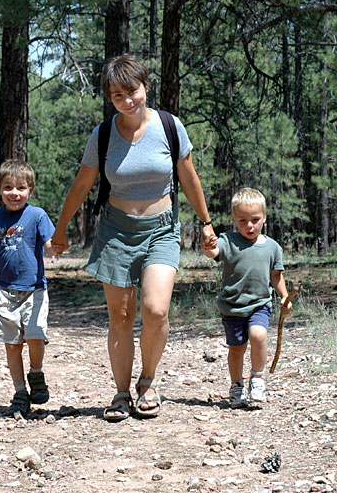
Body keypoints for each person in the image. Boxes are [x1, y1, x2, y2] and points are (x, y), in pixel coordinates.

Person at [52, 54, 217, 421]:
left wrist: (206, 222)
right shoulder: (103, 134)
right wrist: (60, 227)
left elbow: (188, 177)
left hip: (161, 229)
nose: (127, 100)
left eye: (132, 91)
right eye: (117, 95)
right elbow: (82, 183)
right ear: (109, 98)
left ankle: (148, 380)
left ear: (145, 86)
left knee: (155, 310)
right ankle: (122, 393)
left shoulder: (170, 126)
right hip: (116, 231)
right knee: (121, 315)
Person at [0, 160, 55, 417]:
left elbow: (49, 245)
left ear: (30, 189)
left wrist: (56, 247)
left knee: (35, 335)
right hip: (4, 291)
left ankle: (36, 373)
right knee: (12, 344)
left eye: (21, 187)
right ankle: (20, 392)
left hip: (35, 289)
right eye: (8, 187)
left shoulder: (38, 215)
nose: (14, 193)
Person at [202, 188, 292, 408]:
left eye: (255, 220)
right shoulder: (228, 241)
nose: (249, 226)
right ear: (235, 219)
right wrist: (207, 247)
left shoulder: (272, 247)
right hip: (232, 307)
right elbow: (214, 252)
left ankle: (257, 378)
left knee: (258, 334)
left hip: (260, 304)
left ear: (264, 217)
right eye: (242, 221)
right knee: (237, 348)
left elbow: (275, 276)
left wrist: (284, 296)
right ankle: (236, 385)